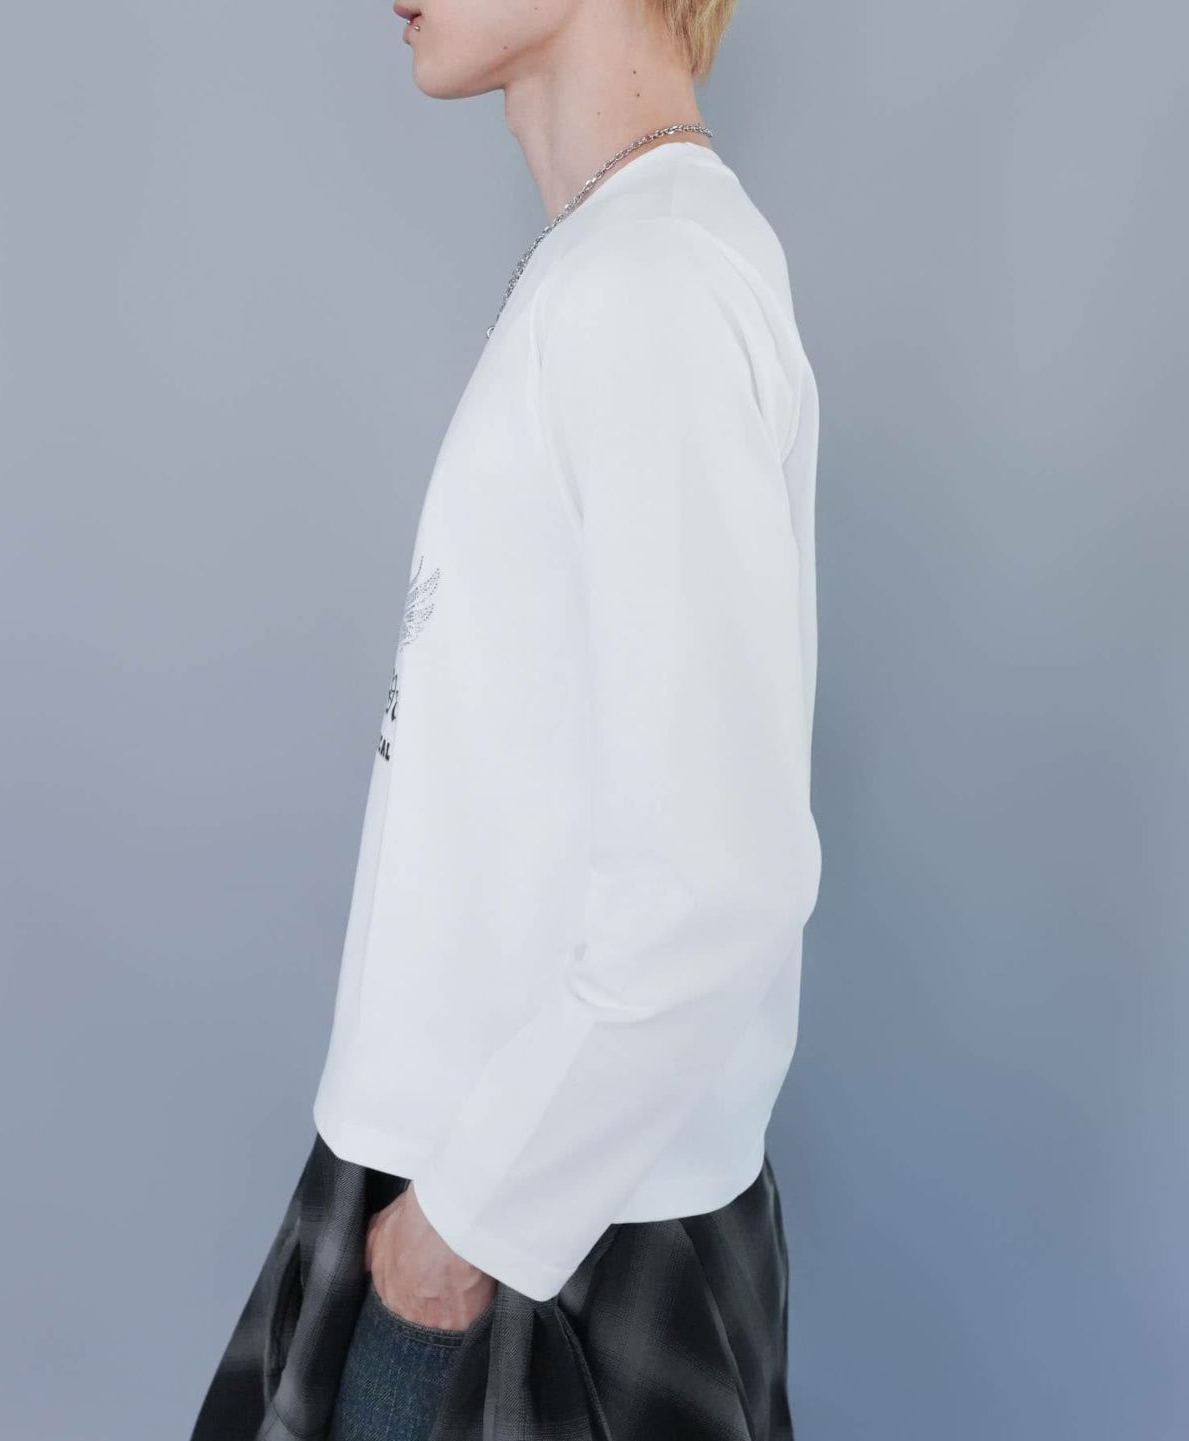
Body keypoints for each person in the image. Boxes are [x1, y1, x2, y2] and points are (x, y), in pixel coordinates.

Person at [189, 0, 821, 1435]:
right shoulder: (620, 261)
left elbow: (717, 887)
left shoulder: (653, 287)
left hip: (537, 1249)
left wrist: (450, 1240)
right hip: (493, 1199)